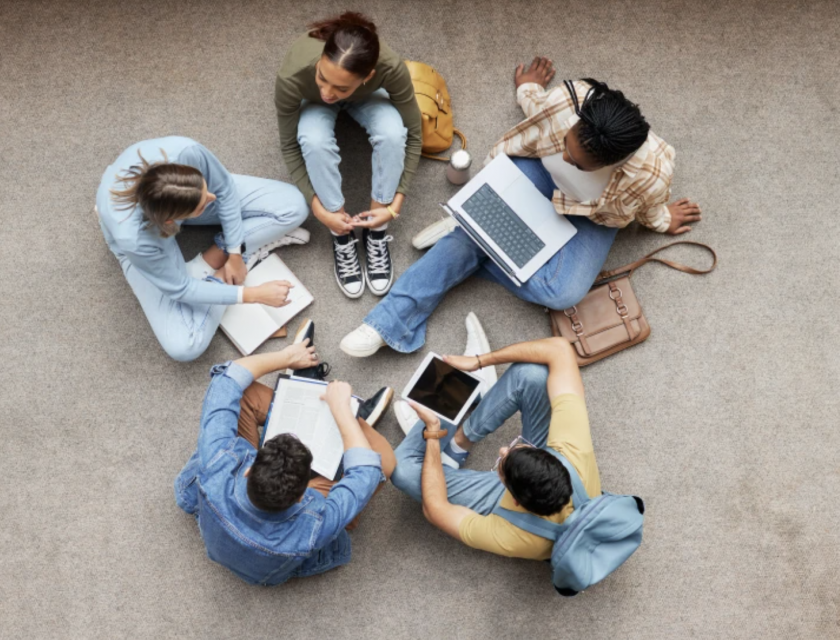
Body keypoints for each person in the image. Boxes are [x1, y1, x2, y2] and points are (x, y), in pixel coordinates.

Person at [340, 57, 702, 357]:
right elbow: (538, 109)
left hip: (593, 213)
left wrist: (662, 219)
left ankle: (470, 234)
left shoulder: (652, 174)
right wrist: (528, 88)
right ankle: (387, 321)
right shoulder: (570, 100)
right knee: (485, 239)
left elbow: (649, 206)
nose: (564, 155)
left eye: (576, 161)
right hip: (533, 173)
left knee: (561, 293)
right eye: (566, 144)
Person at [174, 321, 396, 585]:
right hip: (281, 562)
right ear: (305, 493)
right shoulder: (312, 527)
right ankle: (344, 418)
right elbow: (369, 472)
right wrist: (342, 413)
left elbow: (228, 379)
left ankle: (309, 394)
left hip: (215, 514)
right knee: (384, 458)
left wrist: (287, 356)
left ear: (249, 468)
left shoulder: (218, 462)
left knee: (244, 392)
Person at [96, 136, 309, 362]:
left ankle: (219, 254)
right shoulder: (135, 240)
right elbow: (181, 289)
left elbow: (224, 189)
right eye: (203, 204)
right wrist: (252, 294)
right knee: (185, 346)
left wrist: (235, 252)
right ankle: (219, 272)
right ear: (172, 221)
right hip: (146, 238)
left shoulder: (186, 152)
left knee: (294, 206)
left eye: (204, 188)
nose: (212, 198)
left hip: (174, 207)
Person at [389, 336, 601, 561]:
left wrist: (432, 431)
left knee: (402, 469)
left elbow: (435, 510)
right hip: (554, 483)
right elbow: (559, 348)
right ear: (551, 456)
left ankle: (446, 417)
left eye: (501, 463)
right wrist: (480, 361)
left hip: (531, 520)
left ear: (514, 500)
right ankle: (457, 445)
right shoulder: (573, 447)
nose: (501, 450)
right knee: (532, 374)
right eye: (515, 447)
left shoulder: (514, 536)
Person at [276, 11, 422, 298]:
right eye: (322, 77)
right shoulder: (293, 77)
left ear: (368, 76)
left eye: (339, 87)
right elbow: (290, 145)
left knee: (394, 134)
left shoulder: (389, 68)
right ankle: (339, 229)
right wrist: (320, 210)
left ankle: (376, 224)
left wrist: (393, 206)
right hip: (311, 104)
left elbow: (414, 133)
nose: (329, 92)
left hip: (366, 97)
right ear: (318, 63)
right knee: (312, 141)